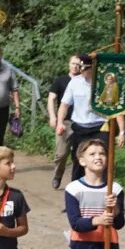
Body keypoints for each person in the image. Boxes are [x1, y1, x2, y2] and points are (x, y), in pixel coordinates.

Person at [58, 53, 125, 181]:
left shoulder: (105, 84)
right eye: (80, 68)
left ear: (92, 68)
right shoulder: (74, 83)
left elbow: (117, 109)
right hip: (80, 128)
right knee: (79, 160)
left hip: (100, 128)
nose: (82, 71)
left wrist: (122, 131)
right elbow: (64, 105)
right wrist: (60, 122)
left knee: (103, 159)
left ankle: (103, 189)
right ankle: (76, 191)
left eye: (85, 69)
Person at [47, 54, 82, 189]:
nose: (75, 66)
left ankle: (76, 181)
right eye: (73, 63)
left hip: (80, 123)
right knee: (61, 154)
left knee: (78, 154)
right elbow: (51, 98)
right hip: (64, 123)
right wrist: (53, 117)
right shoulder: (61, 81)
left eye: (78, 64)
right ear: (69, 64)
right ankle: (58, 175)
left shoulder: (84, 81)